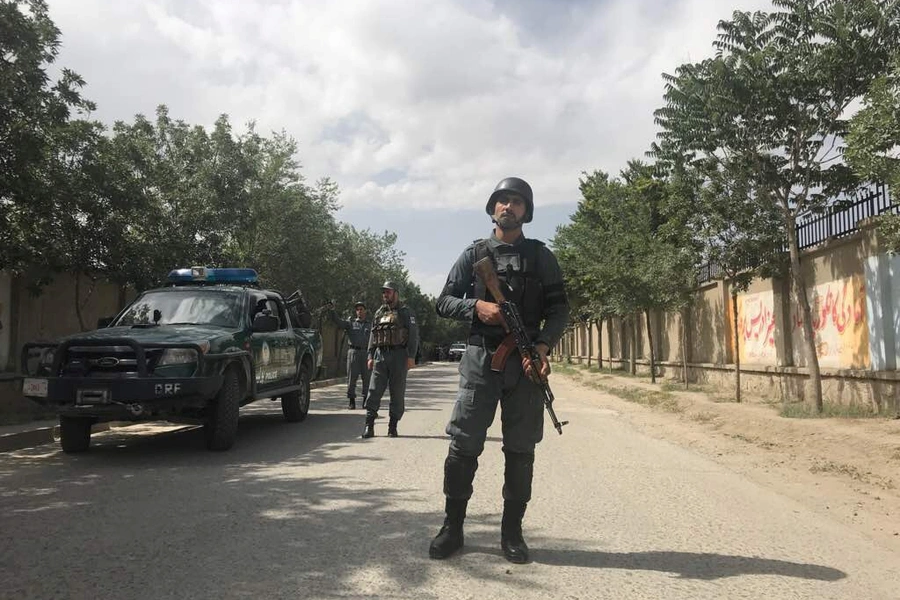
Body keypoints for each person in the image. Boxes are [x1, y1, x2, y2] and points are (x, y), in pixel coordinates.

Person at [428, 176, 569, 564]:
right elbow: (442, 302)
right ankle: (452, 528)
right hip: (479, 361)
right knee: (463, 445)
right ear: (493, 209)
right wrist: (477, 308)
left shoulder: (542, 257)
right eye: (503, 201)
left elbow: (559, 311)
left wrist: (540, 347)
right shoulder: (474, 254)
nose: (509, 207)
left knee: (521, 450)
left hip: (524, 365)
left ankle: (512, 533)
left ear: (527, 212)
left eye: (517, 203)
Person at [361, 281, 419, 438]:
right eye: (384, 292)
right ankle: (369, 425)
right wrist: (370, 355)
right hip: (380, 355)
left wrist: (411, 356)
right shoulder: (379, 312)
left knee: (397, 392)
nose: (385, 295)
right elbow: (373, 335)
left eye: (388, 292)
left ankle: (392, 426)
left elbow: (413, 335)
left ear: (395, 293)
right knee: (373, 390)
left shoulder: (406, 312)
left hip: (399, 356)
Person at [328, 301, 372, 410]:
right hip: (353, 353)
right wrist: (332, 311)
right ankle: (351, 401)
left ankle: (365, 400)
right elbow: (339, 322)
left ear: (365, 311)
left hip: (366, 353)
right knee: (352, 378)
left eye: (361, 309)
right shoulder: (350, 323)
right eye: (357, 309)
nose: (359, 311)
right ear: (356, 311)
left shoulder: (370, 325)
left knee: (367, 378)